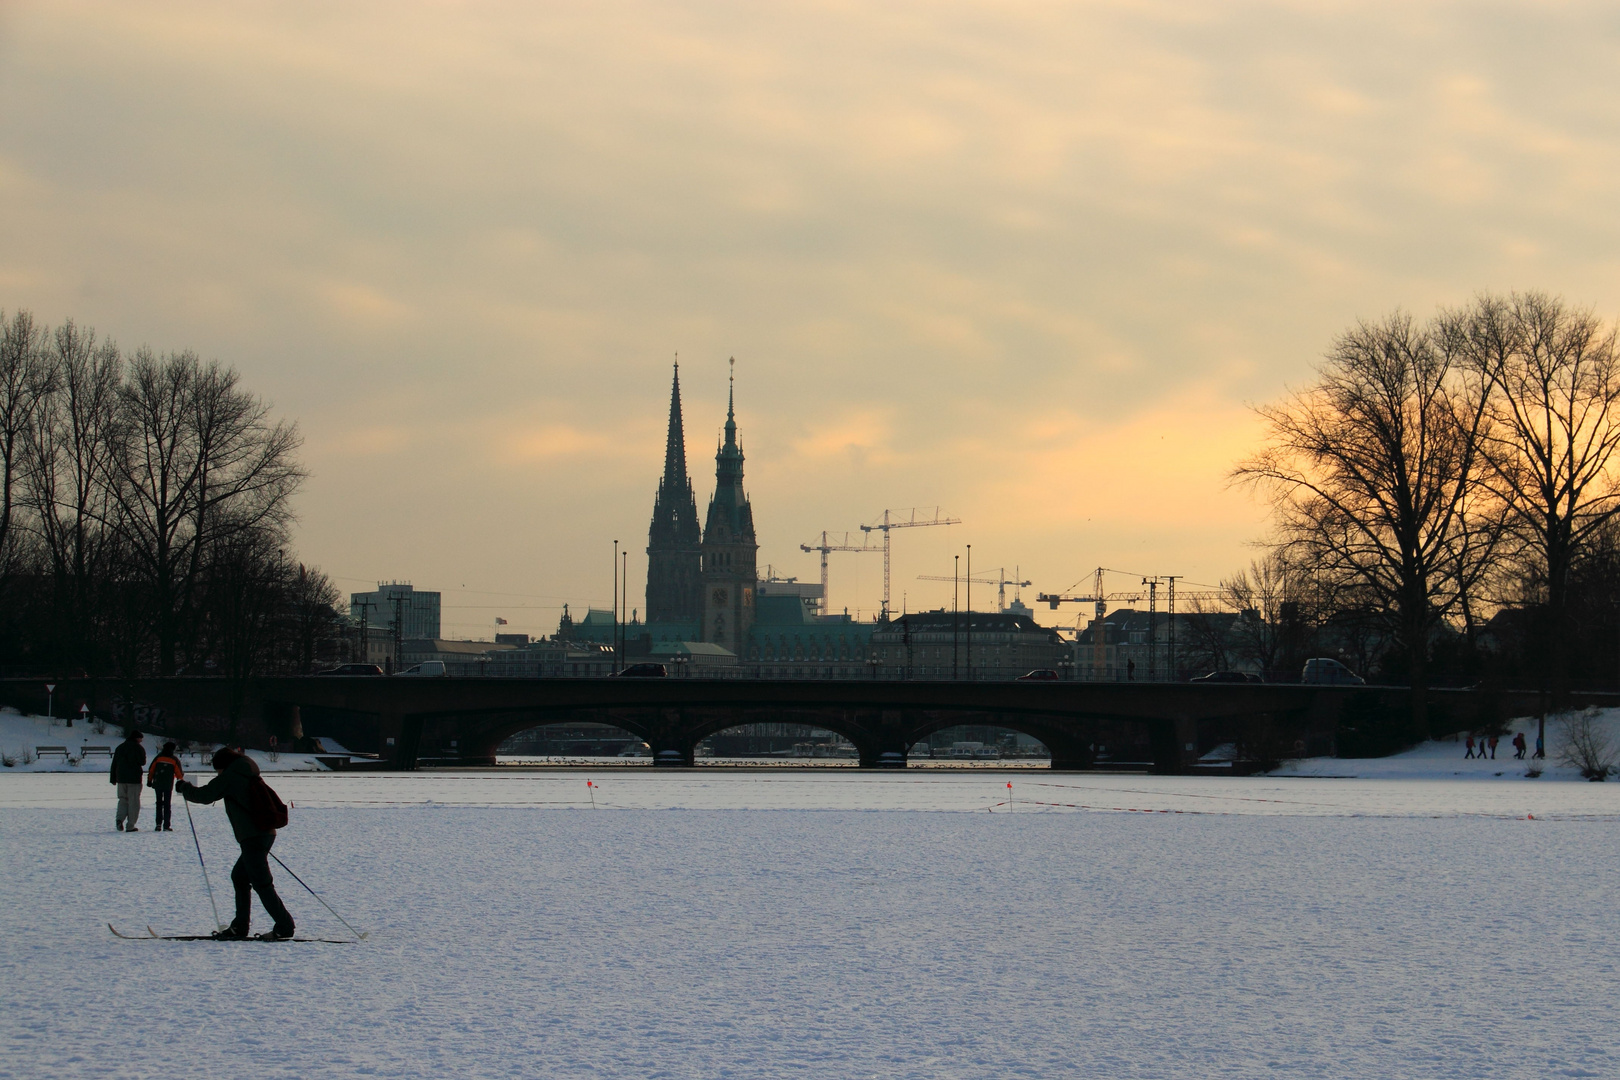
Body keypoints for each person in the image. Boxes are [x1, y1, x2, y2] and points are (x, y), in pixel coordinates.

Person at [176, 748, 295, 940]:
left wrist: (184, 788)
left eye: (218, 770)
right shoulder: (247, 770)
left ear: (223, 766)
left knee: (261, 883)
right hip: (263, 833)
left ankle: (285, 926)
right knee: (240, 877)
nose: (218, 774)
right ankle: (239, 926)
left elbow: (205, 795)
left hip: (254, 835)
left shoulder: (231, 776)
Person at [110, 729, 147, 831]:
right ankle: (130, 825)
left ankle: (119, 819)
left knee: (122, 800)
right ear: (137, 738)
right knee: (133, 802)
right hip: (134, 779)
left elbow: (114, 763)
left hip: (121, 778)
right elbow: (142, 762)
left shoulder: (120, 747)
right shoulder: (138, 748)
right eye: (140, 739)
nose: (141, 741)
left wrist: (113, 778)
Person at [147, 742, 184, 832]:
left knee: (159, 804)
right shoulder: (174, 759)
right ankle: (166, 825)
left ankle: (158, 824)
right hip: (168, 784)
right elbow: (179, 773)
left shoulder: (158, 757)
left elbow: (151, 769)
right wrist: (180, 780)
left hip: (157, 783)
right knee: (167, 804)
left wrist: (149, 780)